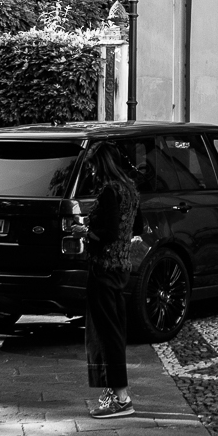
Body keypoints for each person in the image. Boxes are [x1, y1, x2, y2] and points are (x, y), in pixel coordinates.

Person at [79, 143, 140, 419]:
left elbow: (109, 231)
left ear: (101, 165)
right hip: (121, 268)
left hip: (104, 268)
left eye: (92, 166)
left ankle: (120, 396)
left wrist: (85, 230)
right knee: (114, 329)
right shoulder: (129, 189)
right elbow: (130, 228)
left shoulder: (109, 192)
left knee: (105, 333)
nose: (91, 172)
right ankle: (117, 392)